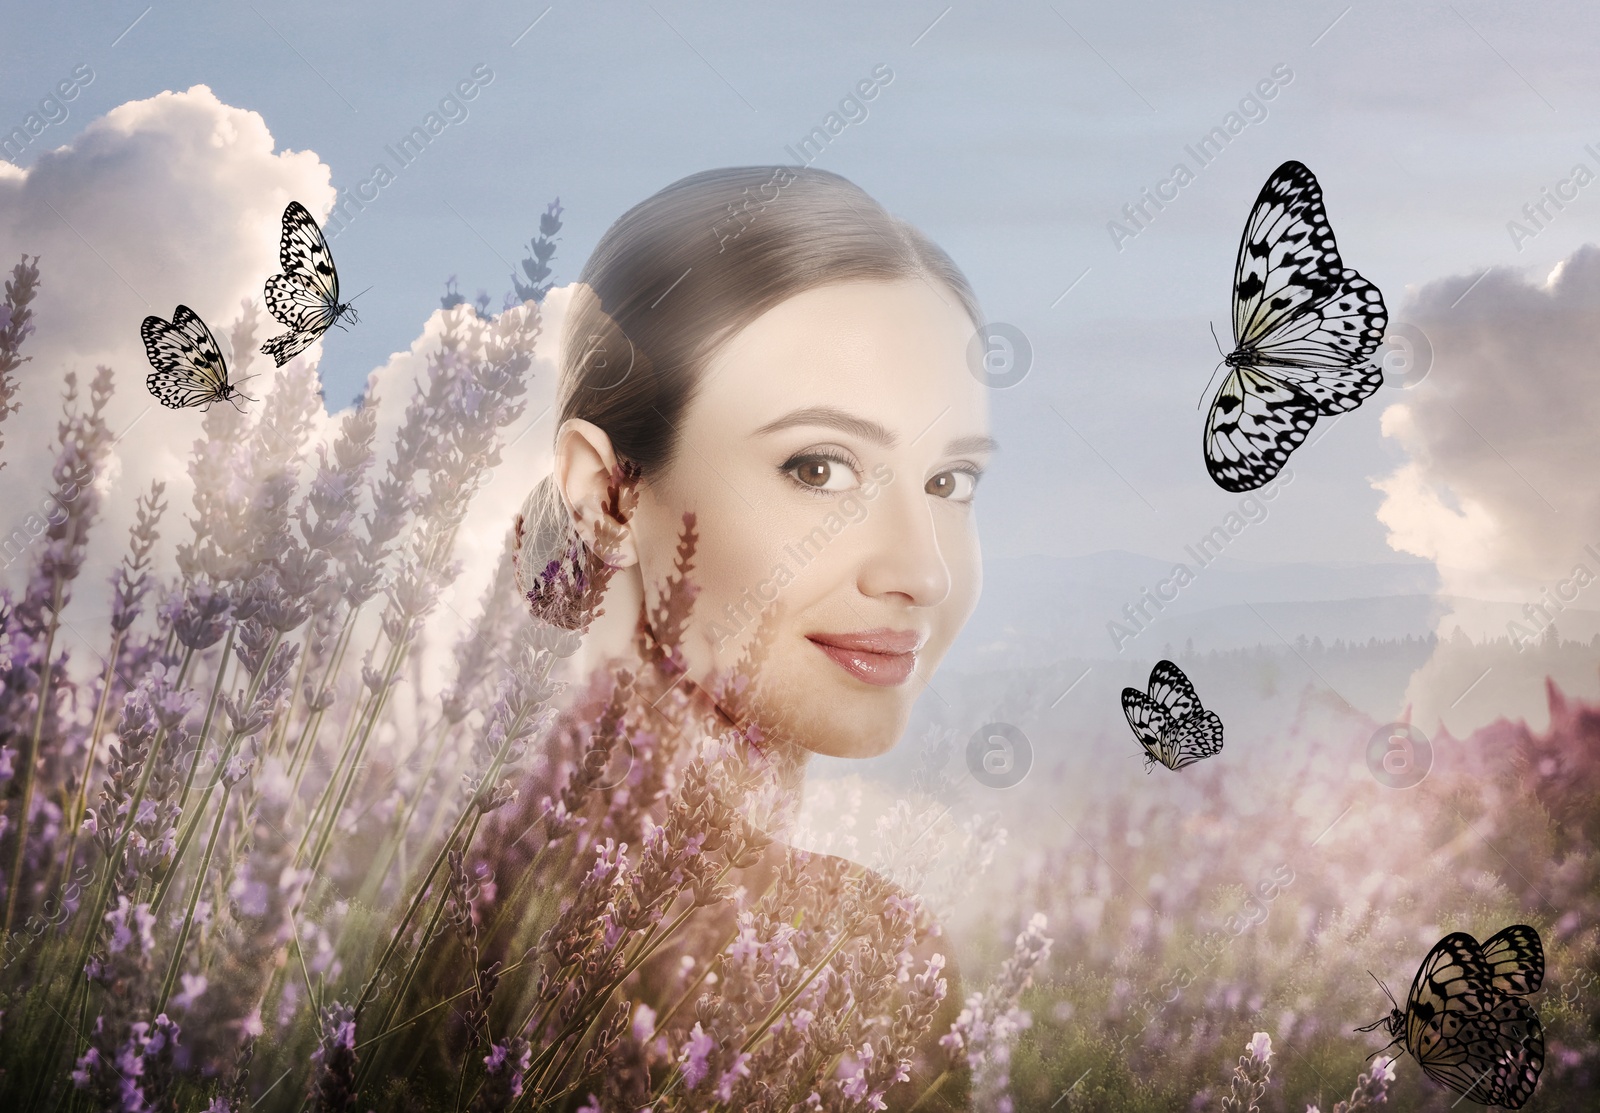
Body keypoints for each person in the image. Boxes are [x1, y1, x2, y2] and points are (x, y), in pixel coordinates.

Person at [478, 165, 994, 1112]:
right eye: (819, 466)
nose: (923, 572)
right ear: (609, 494)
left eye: (950, 481)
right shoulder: (864, 960)